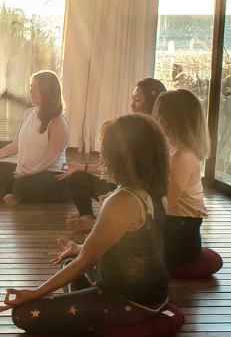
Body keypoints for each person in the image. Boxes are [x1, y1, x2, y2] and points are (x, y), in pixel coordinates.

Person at [0, 114, 171, 335]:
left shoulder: (122, 200)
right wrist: (80, 248)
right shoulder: (156, 193)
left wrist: (35, 293)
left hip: (130, 300)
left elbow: (85, 263)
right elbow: (135, 247)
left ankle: (95, 319)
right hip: (155, 292)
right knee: (69, 260)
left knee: (23, 314)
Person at [60, 77, 167, 230]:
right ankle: (87, 217)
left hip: (141, 197)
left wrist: (117, 195)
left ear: (153, 101)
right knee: (78, 177)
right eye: (132, 99)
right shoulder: (134, 128)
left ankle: (95, 223)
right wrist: (80, 167)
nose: (132, 105)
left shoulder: (157, 136)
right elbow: (115, 166)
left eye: (137, 100)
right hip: (124, 188)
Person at [0, 71, 69, 204]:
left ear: (48, 91)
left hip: (52, 174)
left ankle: (12, 192)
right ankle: (13, 192)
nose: (31, 91)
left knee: (22, 184)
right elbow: (15, 146)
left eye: (36, 88)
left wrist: (34, 171)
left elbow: (54, 156)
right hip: (25, 172)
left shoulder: (57, 120)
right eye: (31, 87)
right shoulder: (28, 113)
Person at [152, 89, 210, 268]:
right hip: (173, 227)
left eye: (160, 115)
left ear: (173, 120)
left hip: (180, 239)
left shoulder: (182, 157)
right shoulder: (173, 149)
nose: (156, 119)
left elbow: (162, 206)